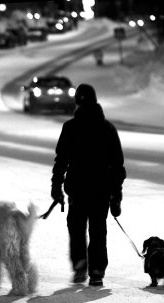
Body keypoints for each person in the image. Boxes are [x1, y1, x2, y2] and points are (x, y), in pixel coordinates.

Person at [51, 83, 126, 286]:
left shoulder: (70, 128)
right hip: (101, 191)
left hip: (77, 191)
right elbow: (118, 166)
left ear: (77, 102)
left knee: (76, 230)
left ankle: (80, 266)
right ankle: (96, 271)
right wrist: (116, 197)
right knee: (98, 230)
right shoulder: (108, 129)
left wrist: (56, 188)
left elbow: (61, 162)